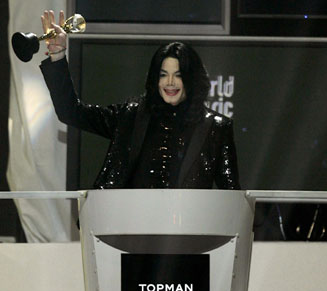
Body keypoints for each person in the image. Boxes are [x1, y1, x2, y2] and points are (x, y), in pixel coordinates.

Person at [39, 10, 240, 190]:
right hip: (128, 224)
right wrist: (58, 55)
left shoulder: (216, 127)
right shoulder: (131, 115)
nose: (170, 82)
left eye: (178, 75)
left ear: (192, 79)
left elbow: (231, 193)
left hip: (188, 227)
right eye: (163, 75)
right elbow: (71, 112)